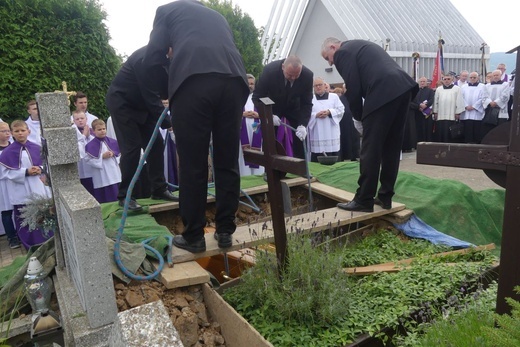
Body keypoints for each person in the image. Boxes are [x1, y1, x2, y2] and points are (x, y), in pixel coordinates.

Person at [143, 0, 249, 252]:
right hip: (234, 81)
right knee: (227, 160)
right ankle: (225, 230)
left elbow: (152, 58)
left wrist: (166, 90)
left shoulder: (166, 11)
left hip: (193, 82)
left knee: (193, 163)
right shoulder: (216, 16)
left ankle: (193, 235)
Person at [321, 37, 418, 212]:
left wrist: (358, 118)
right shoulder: (360, 45)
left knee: (370, 148)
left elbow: (353, 87)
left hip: (382, 90)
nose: (330, 63)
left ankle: (364, 199)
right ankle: (385, 196)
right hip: (402, 88)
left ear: (333, 47)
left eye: (328, 57)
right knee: (391, 147)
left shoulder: (343, 52)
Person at [106, 45, 177, 212]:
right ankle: (125, 196)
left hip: (142, 104)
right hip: (123, 103)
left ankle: (158, 189)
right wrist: (172, 123)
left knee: (156, 143)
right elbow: (152, 98)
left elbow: (166, 91)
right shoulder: (144, 59)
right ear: (168, 45)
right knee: (132, 147)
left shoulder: (166, 59)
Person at [0, 120, 53, 249]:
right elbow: (5, 172)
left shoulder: (36, 147)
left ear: (28, 131)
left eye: (23, 130)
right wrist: (25, 172)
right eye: (17, 131)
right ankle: (30, 244)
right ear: (12, 133)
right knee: (24, 219)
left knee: (43, 215)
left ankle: (48, 240)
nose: (20, 134)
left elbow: (46, 164)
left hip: (37, 187)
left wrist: (40, 168)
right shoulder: (7, 152)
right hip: (21, 189)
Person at [252, 55, 313, 159]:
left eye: (296, 75)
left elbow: (306, 103)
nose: (293, 78)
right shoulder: (269, 71)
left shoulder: (307, 75)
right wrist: (268, 115)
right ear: (283, 67)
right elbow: (257, 97)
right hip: (272, 107)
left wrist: (303, 124)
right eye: (290, 75)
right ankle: (270, 171)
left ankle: (301, 170)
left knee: (299, 136)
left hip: (294, 108)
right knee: (270, 139)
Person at [84, 119, 121, 203]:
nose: (102, 131)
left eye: (104, 129)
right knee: (105, 198)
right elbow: (87, 160)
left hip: (114, 174)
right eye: (99, 129)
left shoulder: (113, 142)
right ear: (93, 131)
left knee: (117, 194)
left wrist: (113, 154)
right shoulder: (90, 145)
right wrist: (101, 157)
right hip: (101, 176)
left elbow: (119, 154)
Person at [308, 77, 344, 161]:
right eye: (315, 85)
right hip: (317, 133)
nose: (318, 87)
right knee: (317, 158)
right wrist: (315, 115)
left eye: (320, 85)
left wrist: (329, 112)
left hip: (331, 131)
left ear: (325, 85)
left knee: (334, 158)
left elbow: (341, 110)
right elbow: (306, 114)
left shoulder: (334, 97)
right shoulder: (310, 99)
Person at [0, 122, 21, 249]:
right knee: (6, 211)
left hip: (15, 182)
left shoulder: (14, 146)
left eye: (8, 131)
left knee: (18, 208)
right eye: (3, 131)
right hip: (2, 183)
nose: (7, 133)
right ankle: (11, 237)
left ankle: (21, 234)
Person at [239, 74, 264, 176]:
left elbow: (267, 114)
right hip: (242, 132)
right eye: (248, 83)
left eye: (252, 84)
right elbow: (230, 113)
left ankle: (258, 176)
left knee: (258, 151)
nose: (250, 86)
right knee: (242, 155)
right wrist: (242, 114)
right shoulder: (238, 97)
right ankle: (244, 176)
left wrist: (258, 115)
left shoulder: (259, 99)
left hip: (256, 129)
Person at [432, 74, 465, 143]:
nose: (446, 81)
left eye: (448, 79)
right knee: (441, 130)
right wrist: (435, 112)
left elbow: (459, 100)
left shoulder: (457, 89)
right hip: (441, 114)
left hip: (451, 114)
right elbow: (435, 101)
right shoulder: (439, 89)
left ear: (452, 80)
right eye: (445, 79)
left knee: (450, 131)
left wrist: (458, 112)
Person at [72, 110, 95, 196]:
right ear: (74, 121)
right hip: (80, 171)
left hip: (92, 169)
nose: (80, 120)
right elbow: (78, 149)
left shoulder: (93, 131)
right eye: (77, 119)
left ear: (86, 119)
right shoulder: (71, 133)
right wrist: (84, 136)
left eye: (82, 118)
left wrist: (88, 136)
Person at [482, 69, 511, 138]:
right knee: (489, 128)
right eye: (494, 75)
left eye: (497, 75)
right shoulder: (487, 86)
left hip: (501, 110)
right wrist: (490, 102)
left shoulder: (505, 84)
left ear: (501, 75)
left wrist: (496, 102)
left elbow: (505, 95)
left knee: (500, 128)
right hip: (490, 110)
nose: (495, 77)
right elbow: (484, 96)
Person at [336, 84, 360, 161]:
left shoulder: (356, 98)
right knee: (346, 142)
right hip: (344, 125)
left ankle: (356, 157)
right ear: (344, 89)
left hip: (355, 124)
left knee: (355, 142)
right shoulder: (340, 99)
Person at [460, 72, 486, 143]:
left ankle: (476, 143)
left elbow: (483, 97)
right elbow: (461, 97)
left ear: (478, 78)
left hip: (476, 112)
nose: (472, 79)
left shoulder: (482, 86)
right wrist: (466, 106)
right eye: (471, 77)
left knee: (476, 130)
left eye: (474, 77)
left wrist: (474, 106)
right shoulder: (464, 86)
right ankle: (467, 142)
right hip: (466, 112)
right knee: (467, 129)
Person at [410, 77, 435, 143]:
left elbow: (432, 99)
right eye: (421, 81)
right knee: (418, 127)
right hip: (418, 111)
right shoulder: (416, 91)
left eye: (424, 81)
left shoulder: (430, 91)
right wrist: (420, 105)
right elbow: (414, 100)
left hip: (427, 112)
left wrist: (426, 105)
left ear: (427, 82)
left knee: (428, 127)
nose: (422, 83)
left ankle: (428, 142)